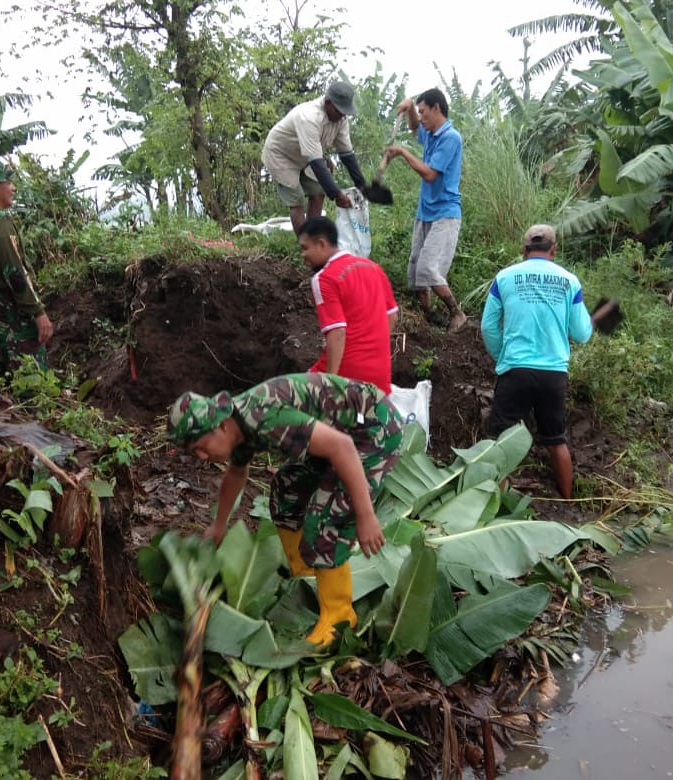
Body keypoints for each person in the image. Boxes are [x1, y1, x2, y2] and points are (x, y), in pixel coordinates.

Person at [166, 373, 403, 646]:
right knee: (286, 488)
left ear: (220, 426)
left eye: (201, 447)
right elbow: (235, 475)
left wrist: (366, 516)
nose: (202, 457)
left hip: (373, 431)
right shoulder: (239, 427)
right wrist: (218, 526)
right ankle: (306, 574)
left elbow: (343, 447)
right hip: (341, 436)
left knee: (325, 516)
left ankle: (339, 617)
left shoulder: (263, 418)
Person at [480, 224, 609, 499]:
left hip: (515, 370)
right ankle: (568, 499)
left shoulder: (505, 277)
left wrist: (501, 357)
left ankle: (500, 506)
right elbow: (582, 334)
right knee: (555, 440)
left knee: (499, 442)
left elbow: (488, 327)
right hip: (553, 375)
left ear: (523, 249)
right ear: (554, 249)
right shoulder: (569, 281)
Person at [384, 88, 466, 334]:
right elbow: (414, 129)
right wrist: (409, 107)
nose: (420, 118)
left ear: (436, 108)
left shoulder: (451, 137)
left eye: (422, 112)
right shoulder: (430, 132)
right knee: (415, 268)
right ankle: (428, 318)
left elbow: (430, 174)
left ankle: (457, 313)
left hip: (445, 213)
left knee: (428, 268)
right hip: (426, 211)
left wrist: (402, 152)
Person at [0, 155, 53, 377]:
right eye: (8, 183)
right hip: (11, 312)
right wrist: (38, 312)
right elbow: (14, 273)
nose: (13, 188)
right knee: (32, 381)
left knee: (5, 378)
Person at [298, 216, 399, 394]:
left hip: (347, 375)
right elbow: (392, 316)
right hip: (381, 378)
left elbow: (337, 331)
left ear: (321, 244)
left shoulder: (324, 278)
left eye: (305, 248)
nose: (303, 255)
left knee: (289, 396)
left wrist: (331, 383)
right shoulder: (374, 268)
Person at [262, 82, 369, 235]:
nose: (343, 115)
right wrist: (337, 194)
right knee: (296, 200)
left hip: (303, 157)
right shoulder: (309, 117)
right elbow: (317, 163)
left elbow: (347, 154)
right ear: (328, 103)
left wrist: (362, 185)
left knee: (318, 192)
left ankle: (313, 237)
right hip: (281, 155)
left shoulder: (340, 120)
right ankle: (306, 246)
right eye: (340, 111)